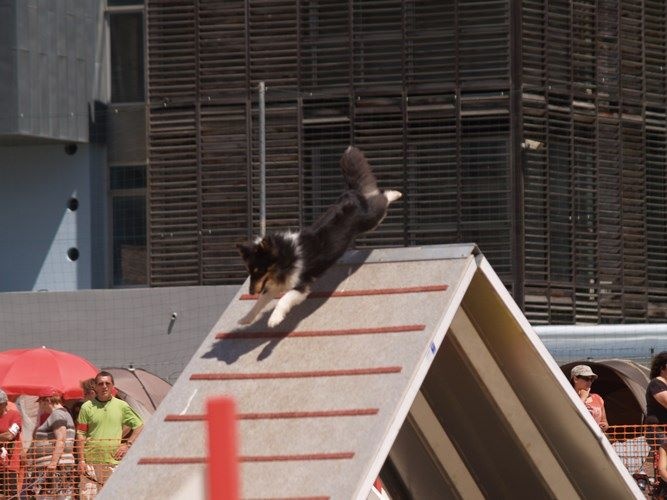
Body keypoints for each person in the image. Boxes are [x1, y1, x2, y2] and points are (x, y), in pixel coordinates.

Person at [75, 371, 143, 498]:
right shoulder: (86, 407)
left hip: (113, 462)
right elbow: (81, 434)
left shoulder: (121, 406)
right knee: (87, 497)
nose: (104, 386)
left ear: (113, 386)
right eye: (100, 384)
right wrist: (81, 460)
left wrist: (127, 445)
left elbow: (139, 425)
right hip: (90, 462)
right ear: (95, 386)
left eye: (107, 383)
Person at [28, 388, 76, 498]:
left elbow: (61, 439)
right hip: (57, 465)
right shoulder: (63, 413)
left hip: (54, 467)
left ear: (47, 401)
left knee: (49, 497)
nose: (40, 407)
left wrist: (53, 463)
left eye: (40, 403)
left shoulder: (57, 415)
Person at [646, 352, 667, 494]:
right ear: (663, 367)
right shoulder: (657, 383)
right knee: (663, 463)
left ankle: (661, 489)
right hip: (658, 430)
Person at [571, 364, 609, 431]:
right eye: (586, 378)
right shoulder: (568, 396)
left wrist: (604, 425)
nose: (589, 382)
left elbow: (604, 420)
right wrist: (583, 398)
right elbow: (571, 416)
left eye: (592, 379)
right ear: (575, 379)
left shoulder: (597, 398)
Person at [0, 388, 23, 498]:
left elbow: (10, 435)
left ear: (4, 404)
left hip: (9, 465)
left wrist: (4, 436)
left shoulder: (15, 415)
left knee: (10, 496)